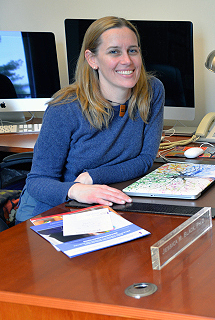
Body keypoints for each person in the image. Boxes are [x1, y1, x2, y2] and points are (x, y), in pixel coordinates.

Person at [15, 16, 164, 222]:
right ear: (92, 59)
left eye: (133, 50)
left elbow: (145, 159)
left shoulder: (152, 90)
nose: (127, 61)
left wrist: (93, 176)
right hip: (55, 207)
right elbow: (38, 181)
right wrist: (77, 189)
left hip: (105, 203)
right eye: (114, 51)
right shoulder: (65, 107)